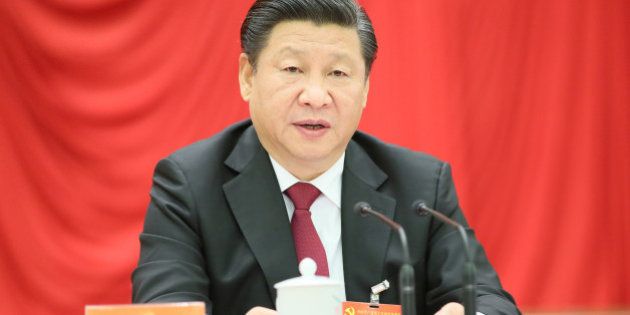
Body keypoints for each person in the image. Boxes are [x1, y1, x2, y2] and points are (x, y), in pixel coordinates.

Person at [132, 0, 520, 314]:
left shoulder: (421, 187)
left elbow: (490, 300)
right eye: (292, 69)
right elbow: (163, 307)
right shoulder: (189, 184)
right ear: (248, 76)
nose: (316, 96)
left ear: (366, 88)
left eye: (338, 73)